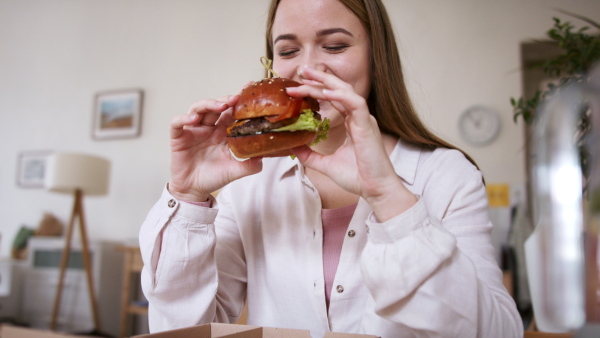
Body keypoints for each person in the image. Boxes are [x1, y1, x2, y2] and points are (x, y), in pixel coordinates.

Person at [139, 0, 523, 337]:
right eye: (288, 50)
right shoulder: (249, 189)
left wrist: (390, 200)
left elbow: (498, 332)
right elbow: (182, 329)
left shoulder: (446, 176)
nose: (307, 69)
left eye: (335, 45)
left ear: (377, 55)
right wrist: (188, 197)